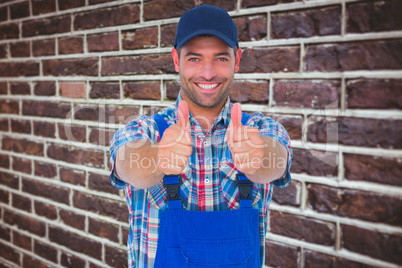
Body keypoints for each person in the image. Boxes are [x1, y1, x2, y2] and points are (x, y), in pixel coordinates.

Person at [109, 4, 292, 268]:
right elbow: (127, 163)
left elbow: (277, 158)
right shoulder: (144, 130)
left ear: (237, 60)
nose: (208, 73)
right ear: (176, 60)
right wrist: (157, 157)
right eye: (194, 58)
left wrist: (262, 159)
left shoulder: (260, 130)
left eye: (221, 58)